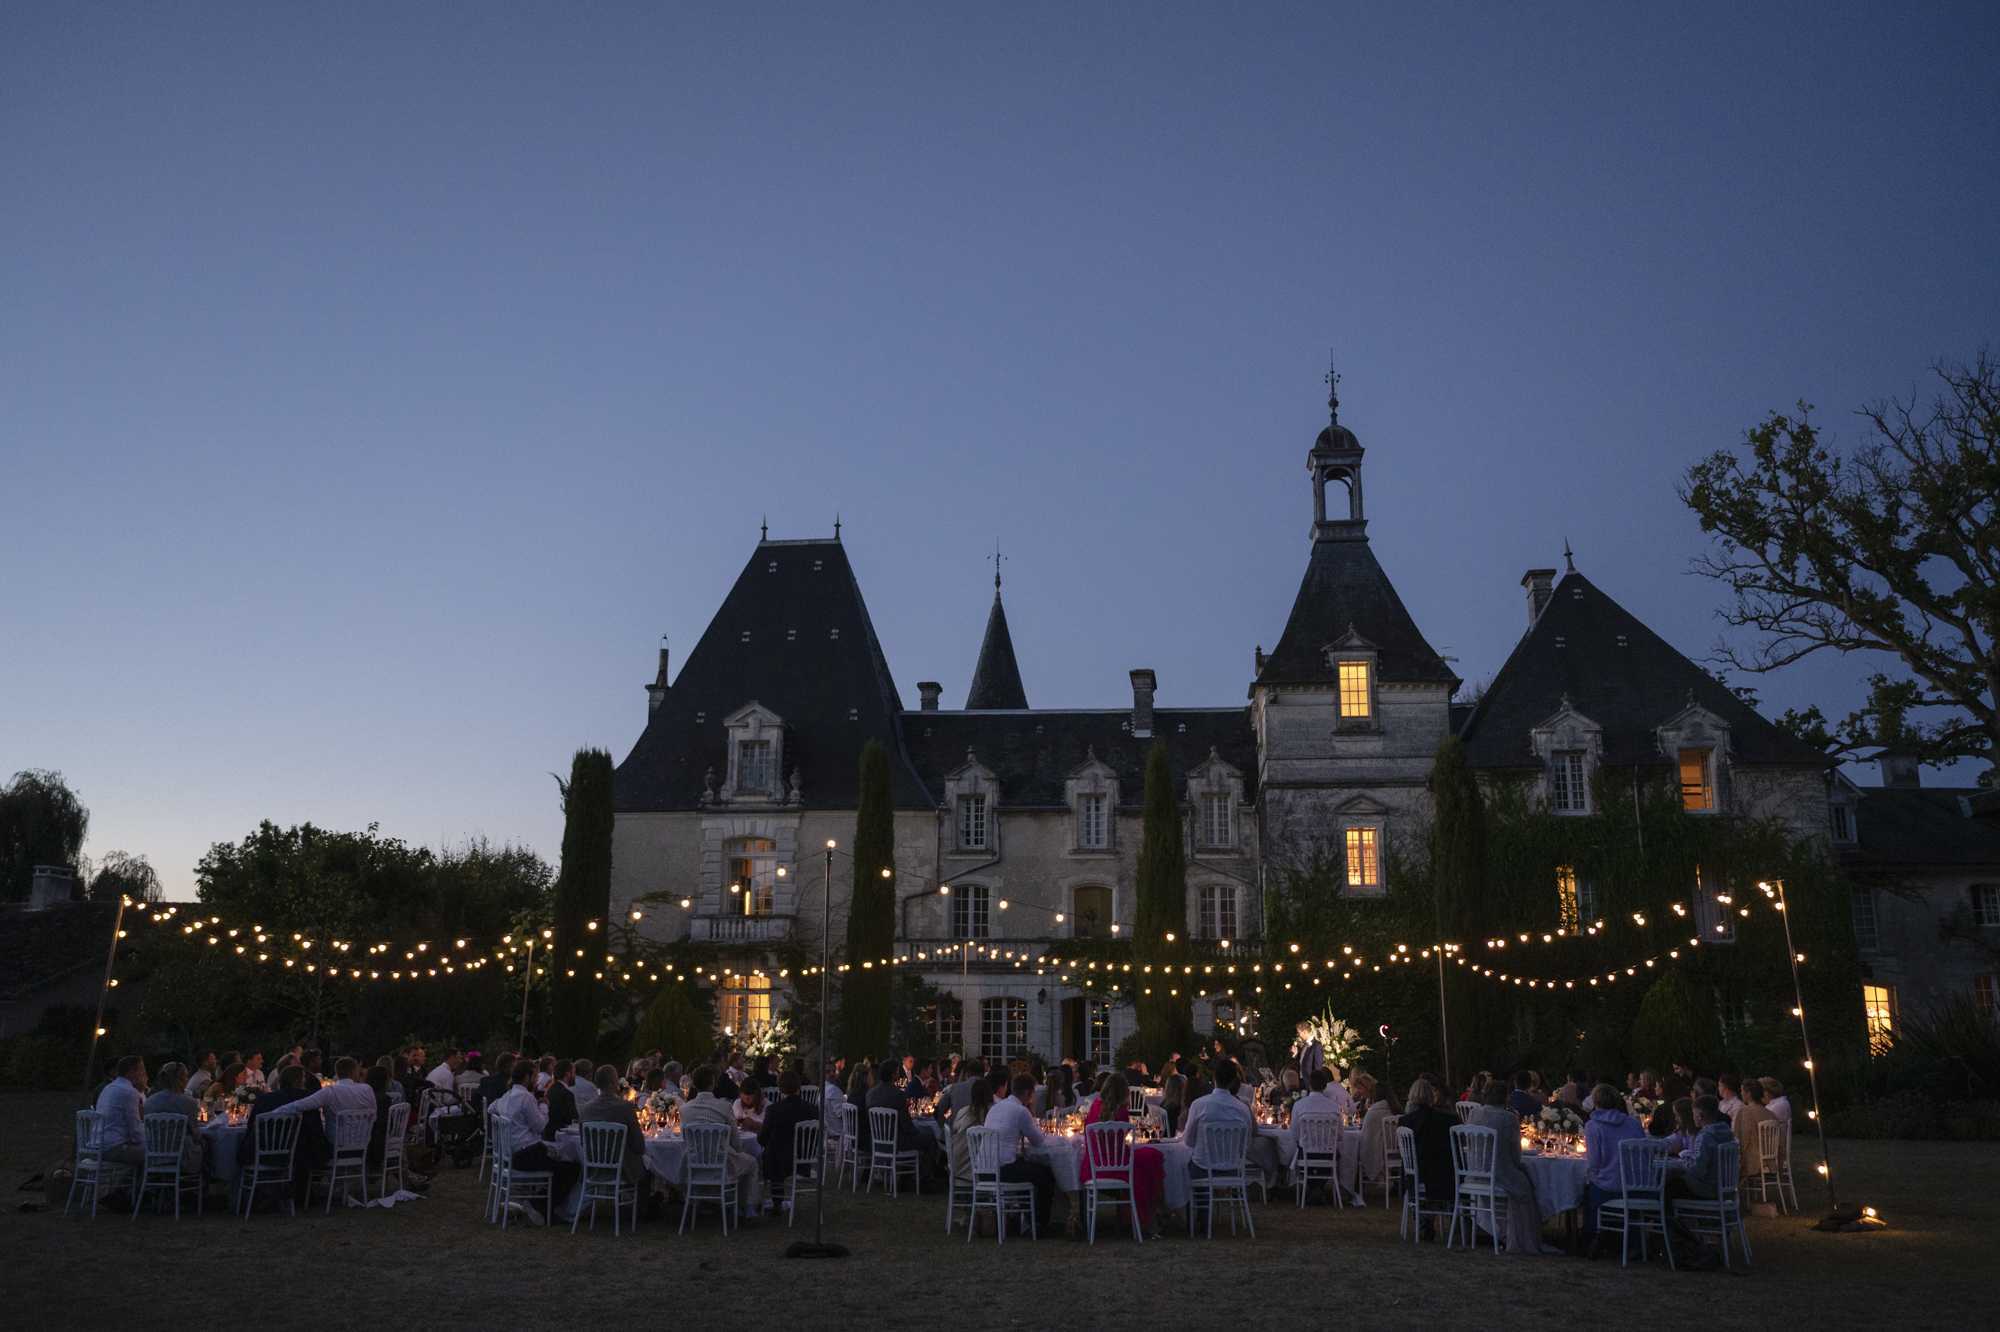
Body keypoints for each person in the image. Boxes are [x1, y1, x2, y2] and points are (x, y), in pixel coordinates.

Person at [1080, 1072, 1165, 1235]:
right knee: (1153, 1157)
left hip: (1094, 1165)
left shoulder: (1094, 1108)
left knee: (1148, 1158)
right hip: (1118, 1165)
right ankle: (1151, 1214)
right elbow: (1121, 1142)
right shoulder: (1122, 1113)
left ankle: (1137, 1217)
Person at [490, 1058, 575, 1221]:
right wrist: (543, 1106)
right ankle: (539, 1207)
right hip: (526, 1155)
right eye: (535, 1077)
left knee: (559, 1159)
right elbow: (541, 1127)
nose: (537, 1081)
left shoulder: (508, 1095)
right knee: (570, 1168)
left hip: (510, 1154)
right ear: (527, 1077)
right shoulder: (525, 1098)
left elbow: (490, 1108)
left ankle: (537, 1202)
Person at [1471, 1078, 1545, 1255]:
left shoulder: (1474, 1113)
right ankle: (1519, 1235)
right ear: (1505, 1098)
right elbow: (1515, 1155)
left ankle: (1499, 1231)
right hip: (1499, 1172)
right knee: (1527, 1185)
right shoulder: (1509, 1118)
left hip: (1475, 1172)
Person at [980, 1073, 1057, 1232]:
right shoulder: (1021, 1111)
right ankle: (1039, 1224)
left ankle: (1026, 1218)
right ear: (1029, 1093)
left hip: (983, 1169)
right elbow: (1038, 1141)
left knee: (1027, 1169)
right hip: (1003, 1169)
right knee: (1046, 1175)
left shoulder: (997, 1107)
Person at [681, 1066, 760, 1218]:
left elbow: (686, 1140)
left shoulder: (685, 1109)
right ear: (713, 1083)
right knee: (751, 1163)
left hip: (694, 1163)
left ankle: (723, 1204)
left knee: (743, 1161)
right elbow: (736, 1142)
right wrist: (737, 1150)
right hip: (722, 1161)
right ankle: (747, 1206)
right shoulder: (724, 1106)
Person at [1662, 1095, 1736, 1258]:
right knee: (1672, 1184)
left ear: (1700, 1115)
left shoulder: (1706, 1136)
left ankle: (1674, 1240)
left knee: (1666, 1189)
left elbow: (1698, 1169)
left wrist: (1680, 1164)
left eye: (1694, 1113)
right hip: (1723, 1187)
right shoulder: (1726, 1133)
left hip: (1707, 1188)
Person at [246, 1065, 329, 1209]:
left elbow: (251, 1126)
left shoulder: (264, 1099)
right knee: (312, 1146)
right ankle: (302, 1193)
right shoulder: (307, 1098)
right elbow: (315, 1130)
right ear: (299, 1081)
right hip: (297, 1155)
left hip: (262, 1152)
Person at [1580, 1083, 1646, 1249]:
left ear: (1595, 1102)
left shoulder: (1593, 1126)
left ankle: (1592, 1239)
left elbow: (1595, 1163)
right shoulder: (1633, 1123)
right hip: (1637, 1185)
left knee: (1585, 1190)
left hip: (1609, 1187)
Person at [577, 1064, 650, 1213]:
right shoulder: (625, 1108)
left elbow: (583, 1143)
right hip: (623, 1169)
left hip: (594, 1168)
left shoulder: (586, 1109)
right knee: (648, 1168)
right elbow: (639, 1146)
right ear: (613, 1083)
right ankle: (643, 1211)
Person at [1397, 1079, 1456, 1233]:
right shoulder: (1447, 1120)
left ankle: (1425, 1221)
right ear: (1432, 1096)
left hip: (1415, 1174)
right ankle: (1458, 1222)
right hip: (1443, 1173)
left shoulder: (1405, 1121)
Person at [759, 1070, 818, 1204]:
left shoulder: (774, 1110)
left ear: (780, 1088)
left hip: (779, 1160)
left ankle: (776, 1202)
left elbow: (762, 1138)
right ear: (799, 1086)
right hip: (804, 1157)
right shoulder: (813, 1109)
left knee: (770, 1152)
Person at [91, 1055, 149, 1181]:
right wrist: (152, 1139)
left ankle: (131, 1190)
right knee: (156, 1153)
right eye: (142, 1070)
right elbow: (135, 1132)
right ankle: (140, 1194)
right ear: (132, 1071)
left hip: (97, 1144)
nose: (144, 1074)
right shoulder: (129, 1092)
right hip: (113, 1148)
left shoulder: (108, 1088)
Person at [144, 1061, 207, 1176]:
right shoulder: (189, 1102)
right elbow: (195, 1134)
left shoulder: (149, 1102)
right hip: (182, 1157)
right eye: (186, 1076)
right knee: (209, 1144)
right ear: (181, 1079)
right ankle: (207, 1185)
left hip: (154, 1154)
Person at [1355, 1075, 1396, 1194]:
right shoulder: (1394, 1109)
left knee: (1354, 1149)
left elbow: (1366, 1137)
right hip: (1395, 1151)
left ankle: (1355, 1187)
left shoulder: (1374, 1111)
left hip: (1379, 1150)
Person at [1731, 1078, 1777, 1184]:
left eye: (1742, 1091)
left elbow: (1741, 1139)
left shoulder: (1744, 1112)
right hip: (1771, 1161)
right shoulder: (1771, 1114)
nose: (1741, 1093)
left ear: (1749, 1093)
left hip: (1754, 1161)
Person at [543, 1060, 578, 1141]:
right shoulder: (567, 1094)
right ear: (567, 1074)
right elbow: (572, 1119)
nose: (575, 1076)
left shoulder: (549, 1090)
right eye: (574, 1073)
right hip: (560, 1137)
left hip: (547, 1134)